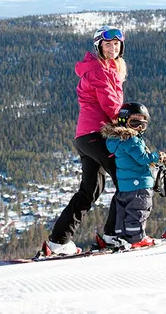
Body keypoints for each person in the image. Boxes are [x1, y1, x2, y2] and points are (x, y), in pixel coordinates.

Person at [42, 26, 128, 256]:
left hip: (86, 137)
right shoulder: (99, 70)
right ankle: (114, 235)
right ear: (99, 46)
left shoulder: (108, 68)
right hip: (96, 135)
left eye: (116, 44)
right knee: (126, 179)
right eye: (108, 44)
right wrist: (130, 124)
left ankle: (59, 241)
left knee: (90, 190)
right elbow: (111, 106)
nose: (113, 48)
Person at [104, 102, 166, 248]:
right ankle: (137, 238)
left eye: (143, 124)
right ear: (124, 121)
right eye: (135, 123)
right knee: (139, 210)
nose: (140, 128)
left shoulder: (116, 140)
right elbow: (143, 158)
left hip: (124, 186)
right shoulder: (132, 140)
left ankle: (122, 236)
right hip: (139, 183)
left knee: (123, 211)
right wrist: (158, 156)